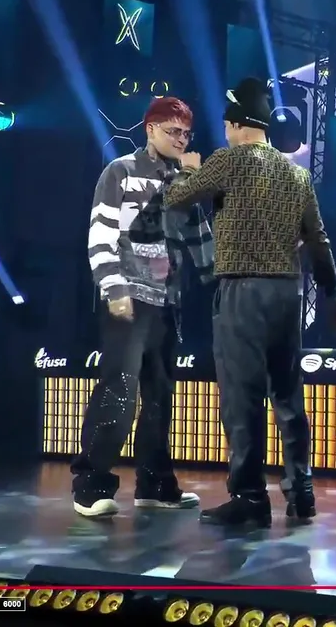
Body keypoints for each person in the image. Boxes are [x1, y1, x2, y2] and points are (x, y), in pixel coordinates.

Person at [160, 77, 336, 528]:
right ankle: (301, 492)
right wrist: (332, 294)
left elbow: (175, 200)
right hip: (287, 294)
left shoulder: (227, 161)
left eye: (226, 126)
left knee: (242, 397)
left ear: (236, 124)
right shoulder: (297, 174)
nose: (224, 133)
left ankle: (249, 498)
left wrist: (187, 168)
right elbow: (318, 239)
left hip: (242, 292)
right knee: (287, 396)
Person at [73, 96, 214, 518]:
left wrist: (222, 281)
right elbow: (100, 233)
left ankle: (155, 485)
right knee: (119, 391)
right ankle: (90, 486)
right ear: (149, 129)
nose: (181, 139)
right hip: (129, 296)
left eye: (186, 133)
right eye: (173, 131)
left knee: (160, 398)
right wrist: (113, 287)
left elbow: (200, 240)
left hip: (168, 301)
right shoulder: (121, 171)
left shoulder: (183, 179)